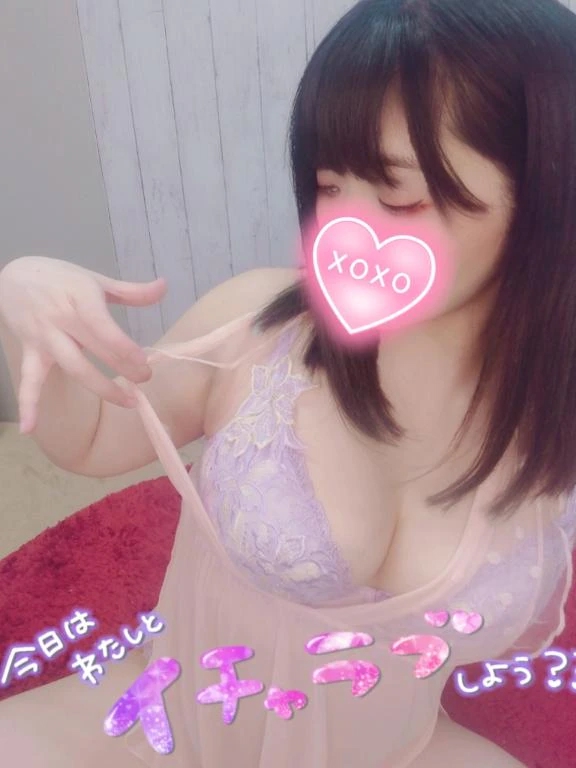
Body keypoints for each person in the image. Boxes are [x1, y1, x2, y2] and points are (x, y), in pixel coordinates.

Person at [1, 0, 576, 765]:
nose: (346, 231)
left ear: (547, 194)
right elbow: (97, 440)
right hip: (171, 727)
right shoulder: (257, 327)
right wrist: (27, 297)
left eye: (400, 198)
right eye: (330, 185)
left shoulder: (555, 403)